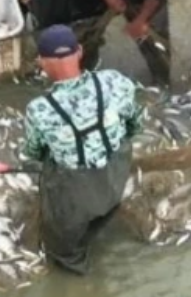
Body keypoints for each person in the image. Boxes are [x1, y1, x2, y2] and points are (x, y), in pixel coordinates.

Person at [21, 25, 144, 275]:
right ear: (79, 52)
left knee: (63, 246)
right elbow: (135, 125)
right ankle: (104, 221)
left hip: (76, 194)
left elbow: (34, 153)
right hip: (115, 177)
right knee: (105, 207)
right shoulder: (114, 81)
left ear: (43, 62)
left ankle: (78, 275)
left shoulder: (39, 110)